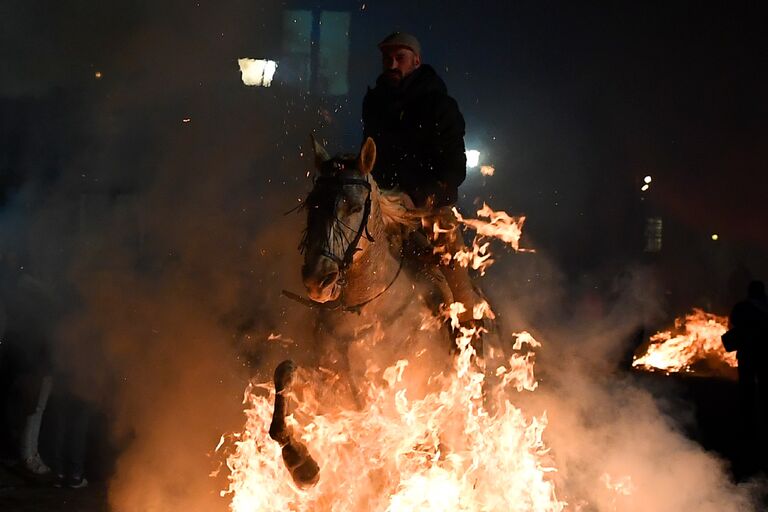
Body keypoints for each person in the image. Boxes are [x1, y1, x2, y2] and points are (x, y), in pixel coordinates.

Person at [362, 32, 481, 331]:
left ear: (416, 61)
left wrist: (418, 197)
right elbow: (370, 154)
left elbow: (455, 170)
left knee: (456, 283)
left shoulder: (440, 105)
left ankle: (469, 343)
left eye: (399, 57)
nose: (392, 63)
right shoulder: (375, 102)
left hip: (432, 211)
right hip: (385, 207)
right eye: (387, 58)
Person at [728, 280, 768, 476]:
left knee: (747, 387)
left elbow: (733, 322)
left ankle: (747, 424)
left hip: (747, 354)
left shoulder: (742, 307)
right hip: (764, 355)